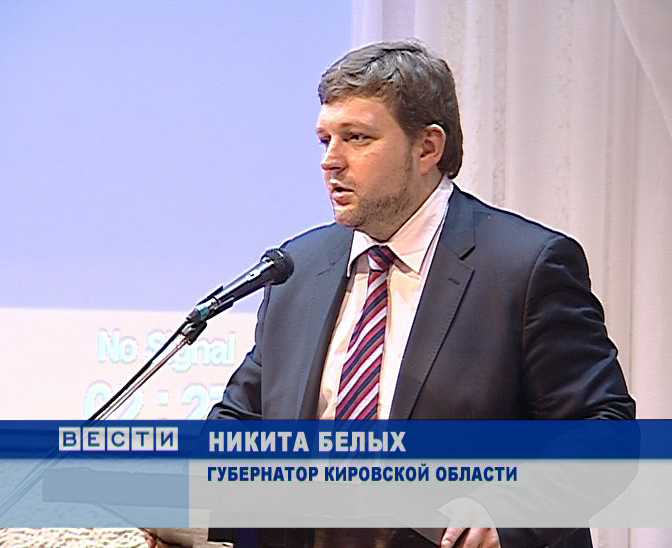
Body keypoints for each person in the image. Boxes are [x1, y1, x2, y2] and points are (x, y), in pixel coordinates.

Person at [206, 39, 635, 548]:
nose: (331, 161)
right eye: (325, 140)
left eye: (357, 138)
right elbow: (242, 421)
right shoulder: (299, 268)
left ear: (428, 148)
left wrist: (509, 513)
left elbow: (603, 432)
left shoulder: (526, 266)